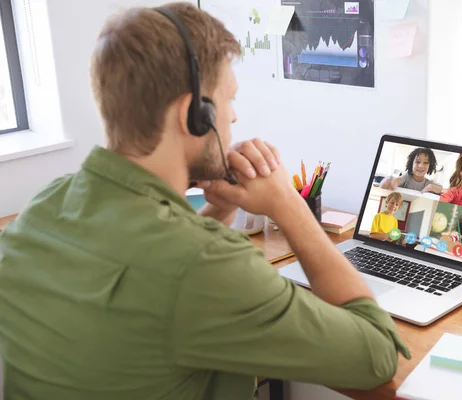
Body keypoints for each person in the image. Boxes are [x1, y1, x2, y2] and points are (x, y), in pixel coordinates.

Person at [0, 3, 411, 399]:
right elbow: (378, 355)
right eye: (229, 99)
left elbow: (159, 278)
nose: (233, 117)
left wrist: (224, 206)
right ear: (194, 115)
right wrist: (288, 204)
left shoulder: (43, 209)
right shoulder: (205, 265)